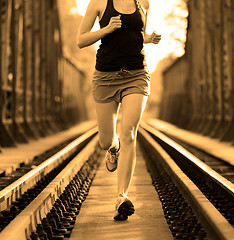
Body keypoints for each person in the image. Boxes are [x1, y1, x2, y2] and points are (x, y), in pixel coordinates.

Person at [77, 0, 161, 221]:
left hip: (136, 74)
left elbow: (136, 36)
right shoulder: (98, 3)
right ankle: (112, 149)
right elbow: (80, 40)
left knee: (129, 133)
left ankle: (121, 196)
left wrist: (149, 39)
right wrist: (106, 29)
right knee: (106, 140)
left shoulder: (144, 4)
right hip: (105, 76)